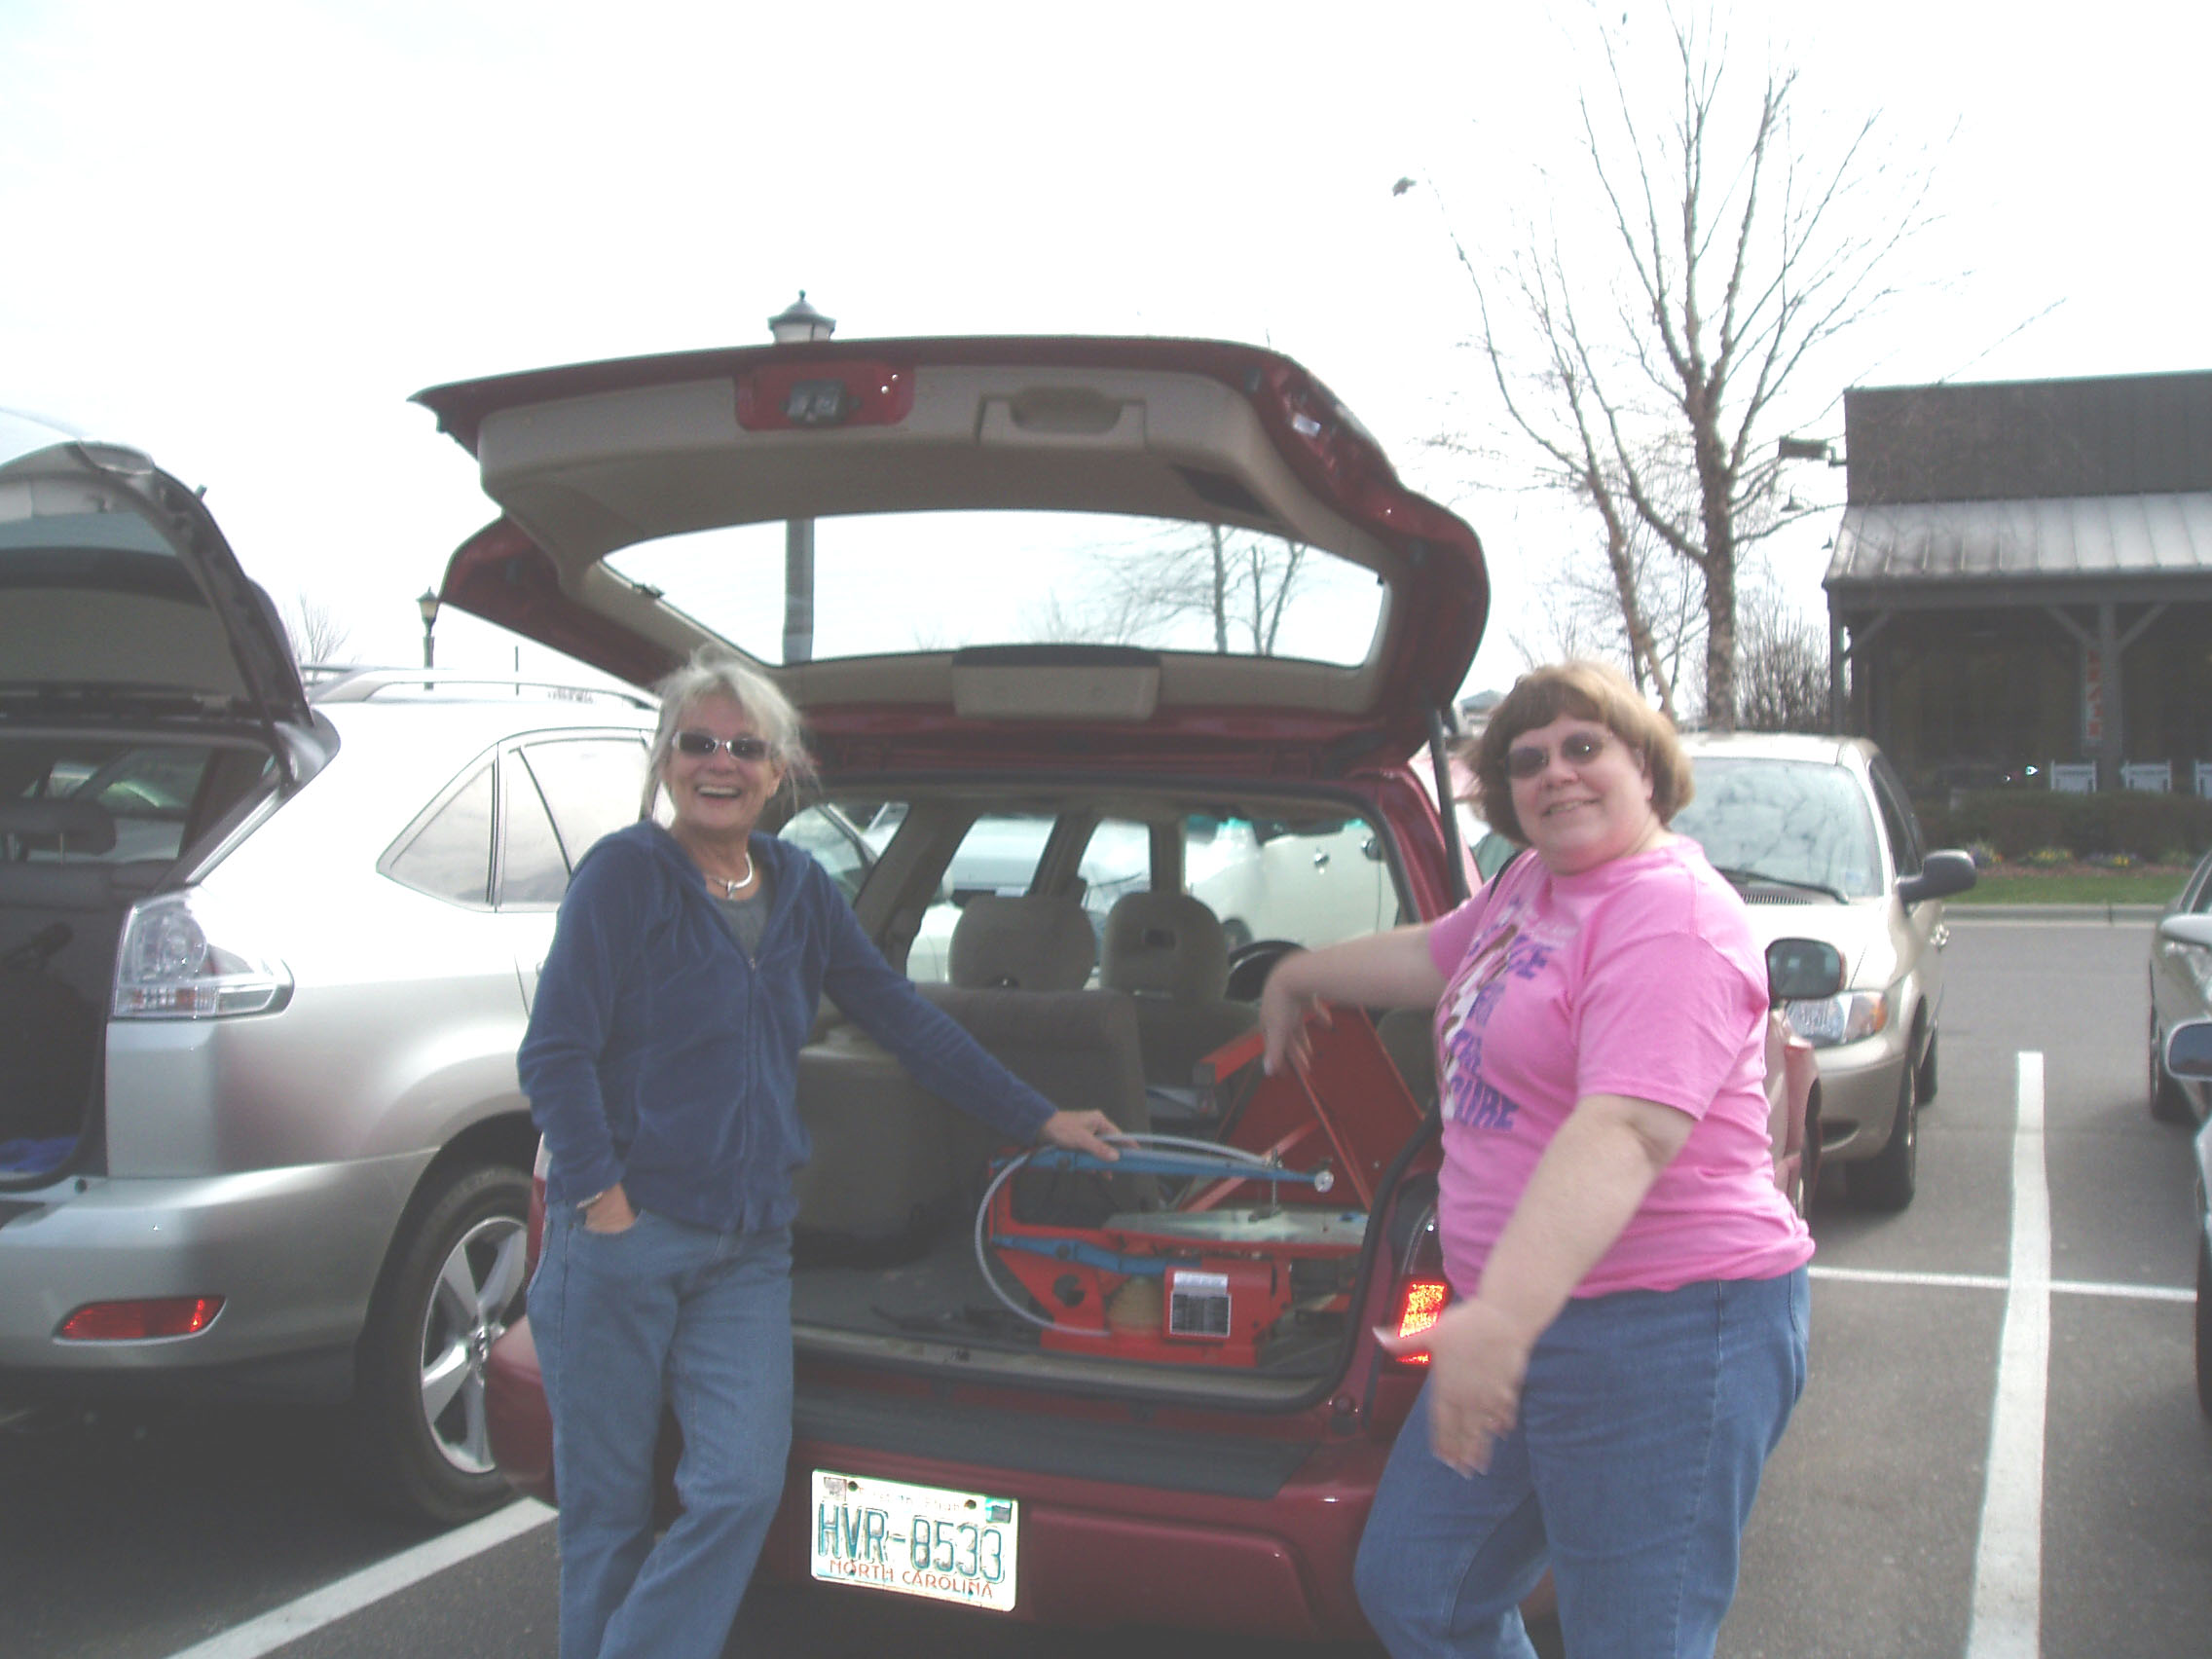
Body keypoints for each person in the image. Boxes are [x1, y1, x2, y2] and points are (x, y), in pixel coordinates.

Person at [519, 652, 1122, 1659]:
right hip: (625, 1243)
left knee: (739, 1487)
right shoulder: (626, 875)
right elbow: (556, 1053)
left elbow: (902, 1018)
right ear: (667, 759)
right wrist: (606, 1205)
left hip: (748, 1252)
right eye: (698, 743)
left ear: (779, 767)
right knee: (607, 1518)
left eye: (743, 747)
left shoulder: (798, 887)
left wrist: (1038, 1116)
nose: (720, 763)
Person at [1258, 660, 1811, 1659]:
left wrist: (1498, 1322)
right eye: (1527, 761)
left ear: (1645, 766)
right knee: (1418, 1588)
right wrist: (1300, 972)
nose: (1555, 774)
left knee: (1633, 1640)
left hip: (1666, 1332)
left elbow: (1626, 1131)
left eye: (1583, 747)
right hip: (1521, 1321)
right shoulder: (1531, 886)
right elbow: (1438, 955)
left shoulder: (1671, 916)